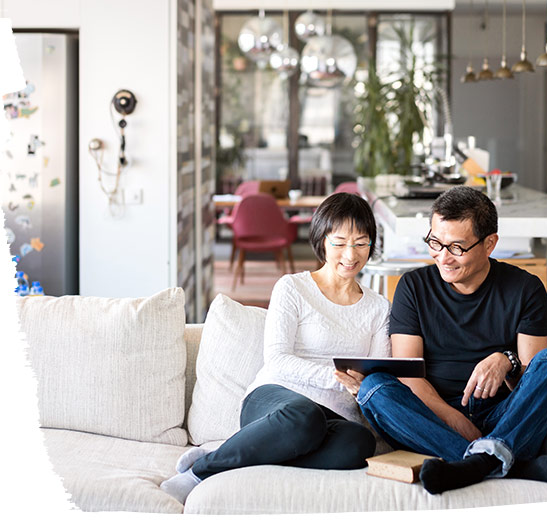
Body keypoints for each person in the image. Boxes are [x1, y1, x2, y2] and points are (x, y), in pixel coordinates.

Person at [160, 193, 391, 504]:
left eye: (361, 243)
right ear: (322, 240)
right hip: (276, 399)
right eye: (339, 242)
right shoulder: (292, 288)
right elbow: (278, 360)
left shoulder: (379, 308)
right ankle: (203, 469)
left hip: (336, 414)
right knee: (305, 417)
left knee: (358, 444)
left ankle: (237, 451)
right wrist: (336, 378)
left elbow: (376, 371)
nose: (350, 254)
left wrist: (367, 386)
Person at [355, 186, 547, 494]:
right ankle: (502, 461)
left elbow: (532, 377)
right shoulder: (413, 287)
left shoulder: (525, 289)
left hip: (505, 416)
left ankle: (475, 464)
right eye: (435, 242)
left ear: (489, 244)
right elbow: (409, 376)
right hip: (434, 416)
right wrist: (454, 419)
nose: (443, 258)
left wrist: (507, 360)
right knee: (374, 389)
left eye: (456, 247)